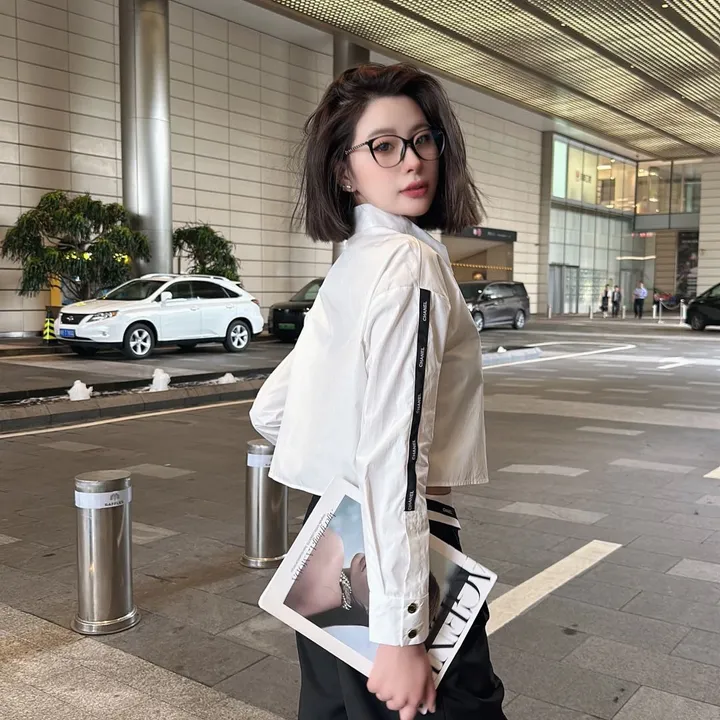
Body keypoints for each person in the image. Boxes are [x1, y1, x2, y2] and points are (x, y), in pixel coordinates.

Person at [250, 63, 506, 720]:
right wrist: (401, 632)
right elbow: (394, 456)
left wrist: (341, 471)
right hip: (400, 555)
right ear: (344, 170)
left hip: (330, 543)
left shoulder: (352, 265)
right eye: (383, 146)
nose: (412, 160)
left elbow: (272, 410)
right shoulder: (411, 264)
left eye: (422, 140)